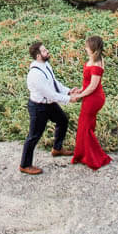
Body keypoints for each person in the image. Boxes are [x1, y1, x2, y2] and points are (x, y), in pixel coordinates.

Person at [19, 39, 76, 175]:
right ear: (38, 55)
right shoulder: (35, 74)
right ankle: (24, 165)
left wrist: (68, 91)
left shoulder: (45, 65)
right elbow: (50, 94)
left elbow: (54, 83)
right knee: (34, 136)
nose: (47, 51)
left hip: (48, 104)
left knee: (62, 120)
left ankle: (57, 149)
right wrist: (69, 99)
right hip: (39, 107)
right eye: (44, 51)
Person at [70, 35, 112, 170]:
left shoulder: (98, 63)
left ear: (93, 48)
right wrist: (80, 89)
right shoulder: (92, 59)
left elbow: (94, 86)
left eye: (87, 46)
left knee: (86, 127)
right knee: (84, 126)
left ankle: (92, 157)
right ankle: (83, 155)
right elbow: (88, 83)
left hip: (94, 99)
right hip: (90, 96)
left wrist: (80, 95)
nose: (85, 48)